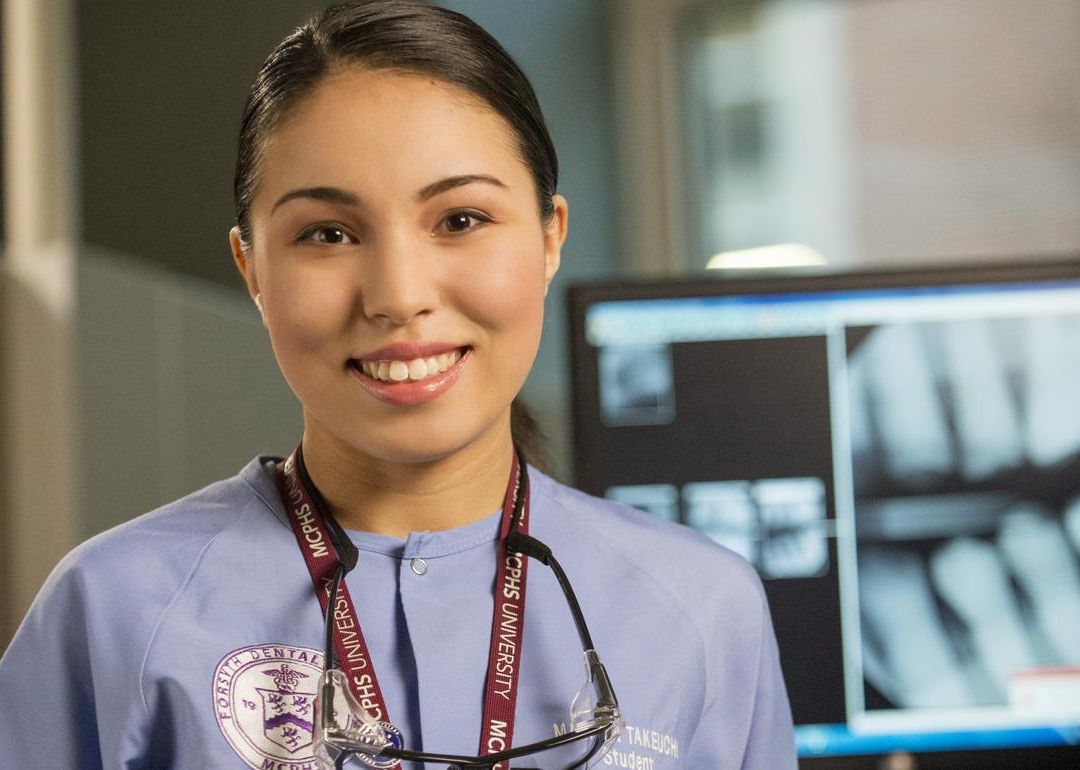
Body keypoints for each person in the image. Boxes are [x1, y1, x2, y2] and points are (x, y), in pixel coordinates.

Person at [0, 2, 796, 767]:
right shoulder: (114, 613)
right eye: (329, 233)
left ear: (551, 237)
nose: (398, 294)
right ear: (252, 269)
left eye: (460, 220)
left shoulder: (702, 610)